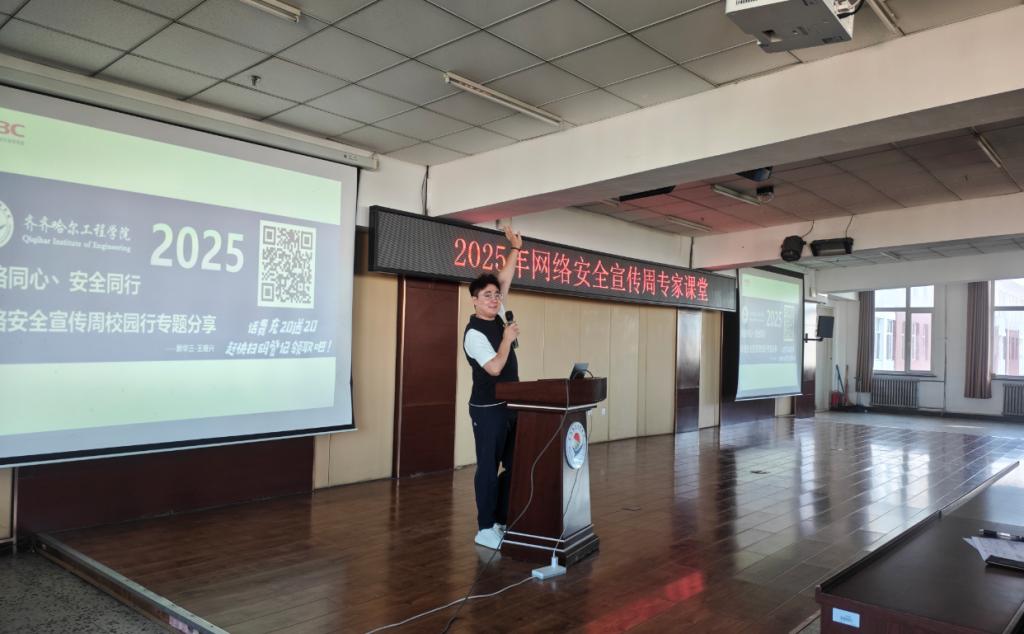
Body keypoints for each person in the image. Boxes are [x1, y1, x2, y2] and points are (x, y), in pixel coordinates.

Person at [463, 225, 523, 549]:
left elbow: (505, 279)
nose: (495, 298)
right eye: (487, 295)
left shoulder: (498, 315)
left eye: (496, 295)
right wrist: (507, 339)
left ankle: (501, 518)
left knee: (515, 463)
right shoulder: (474, 334)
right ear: (474, 300)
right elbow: (495, 367)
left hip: (511, 406)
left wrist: (515, 249)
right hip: (487, 410)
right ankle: (485, 527)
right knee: (488, 467)